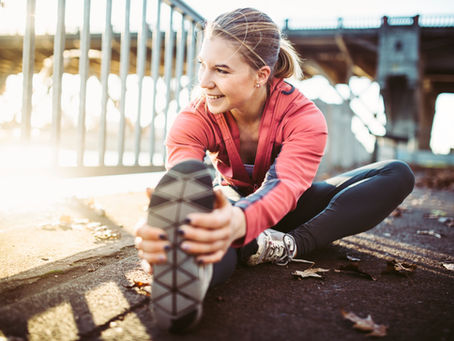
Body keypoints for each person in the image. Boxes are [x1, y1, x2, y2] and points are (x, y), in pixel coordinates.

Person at [134, 7, 415, 333]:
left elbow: (285, 187)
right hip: (232, 202)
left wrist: (241, 223)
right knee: (201, 204)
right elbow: (183, 180)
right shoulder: (194, 116)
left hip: (293, 209)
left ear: (261, 75)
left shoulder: (304, 118)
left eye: (221, 71)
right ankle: (198, 271)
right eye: (203, 66)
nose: (204, 82)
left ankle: (287, 245)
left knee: (397, 173)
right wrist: (171, 231)